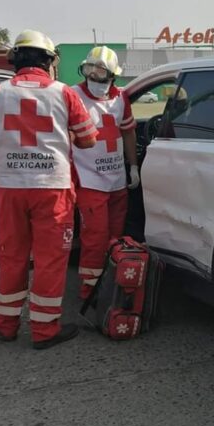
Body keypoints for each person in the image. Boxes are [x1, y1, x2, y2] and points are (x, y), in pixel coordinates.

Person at [0, 30, 98, 349]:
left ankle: (4, 324)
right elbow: (89, 139)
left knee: (11, 255)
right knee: (50, 259)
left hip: (11, 187)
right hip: (52, 188)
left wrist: (11, 148)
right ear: (49, 61)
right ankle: (44, 330)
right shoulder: (64, 93)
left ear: (15, 60)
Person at [71, 46, 140, 300]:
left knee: (116, 237)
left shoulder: (121, 99)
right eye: (90, 70)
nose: (95, 77)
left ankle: (111, 283)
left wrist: (132, 166)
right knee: (94, 238)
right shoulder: (73, 95)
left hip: (117, 182)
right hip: (89, 181)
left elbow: (128, 132)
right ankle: (89, 290)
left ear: (113, 75)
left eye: (101, 72)